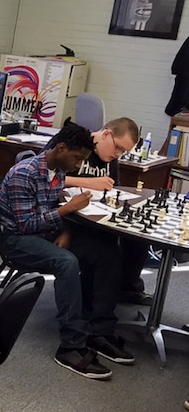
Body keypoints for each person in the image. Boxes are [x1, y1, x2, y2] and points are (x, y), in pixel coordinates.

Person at [0, 122, 128, 380]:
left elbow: (49, 212)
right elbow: (25, 226)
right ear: (60, 148)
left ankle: (97, 329)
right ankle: (70, 345)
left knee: (105, 253)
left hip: (46, 233)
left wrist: (65, 231)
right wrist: (66, 211)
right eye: (77, 158)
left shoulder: (56, 171)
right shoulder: (24, 173)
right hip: (17, 240)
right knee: (67, 263)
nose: (79, 166)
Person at [59, 117, 150, 306]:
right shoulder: (76, 144)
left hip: (97, 215)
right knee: (106, 251)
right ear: (106, 134)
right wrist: (89, 183)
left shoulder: (110, 159)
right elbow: (47, 177)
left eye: (123, 152)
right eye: (117, 148)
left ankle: (125, 289)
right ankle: (93, 303)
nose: (118, 154)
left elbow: (111, 189)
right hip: (68, 218)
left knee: (138, 240)